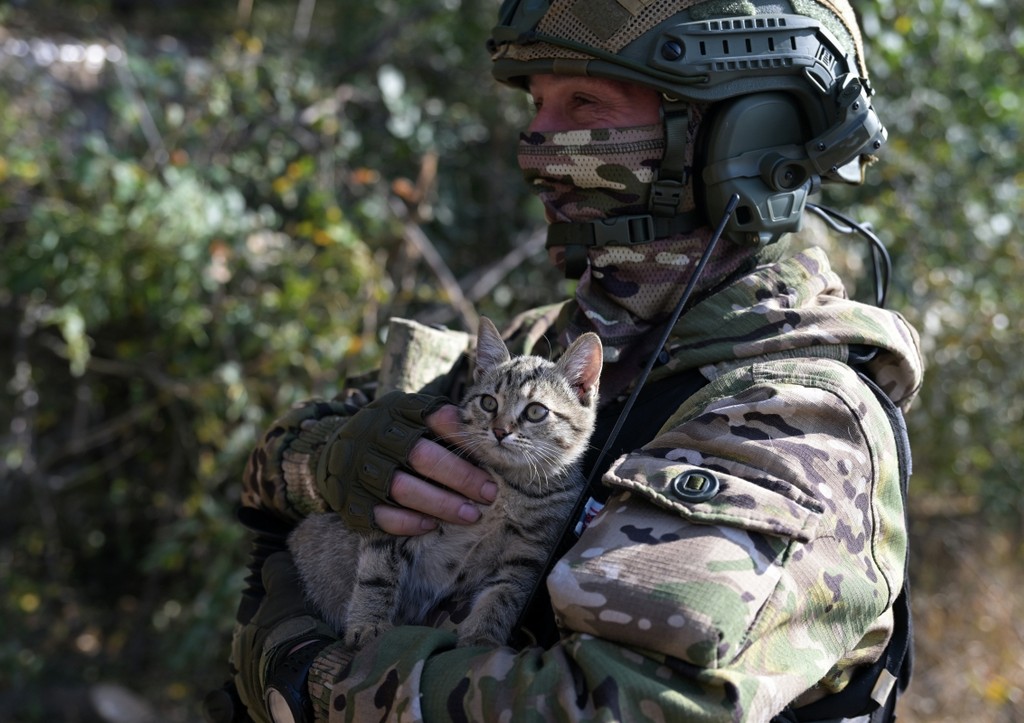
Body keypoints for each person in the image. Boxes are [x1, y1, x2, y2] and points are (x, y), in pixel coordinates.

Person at [215, 0, 924, 721]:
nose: (538, 141)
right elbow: (263, 474)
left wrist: (309, 677)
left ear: (743, 141)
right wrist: (331, 461)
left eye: (585, 101)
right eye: (537, 103)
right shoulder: (537, 346)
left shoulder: (796, 423)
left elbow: (607, 708)